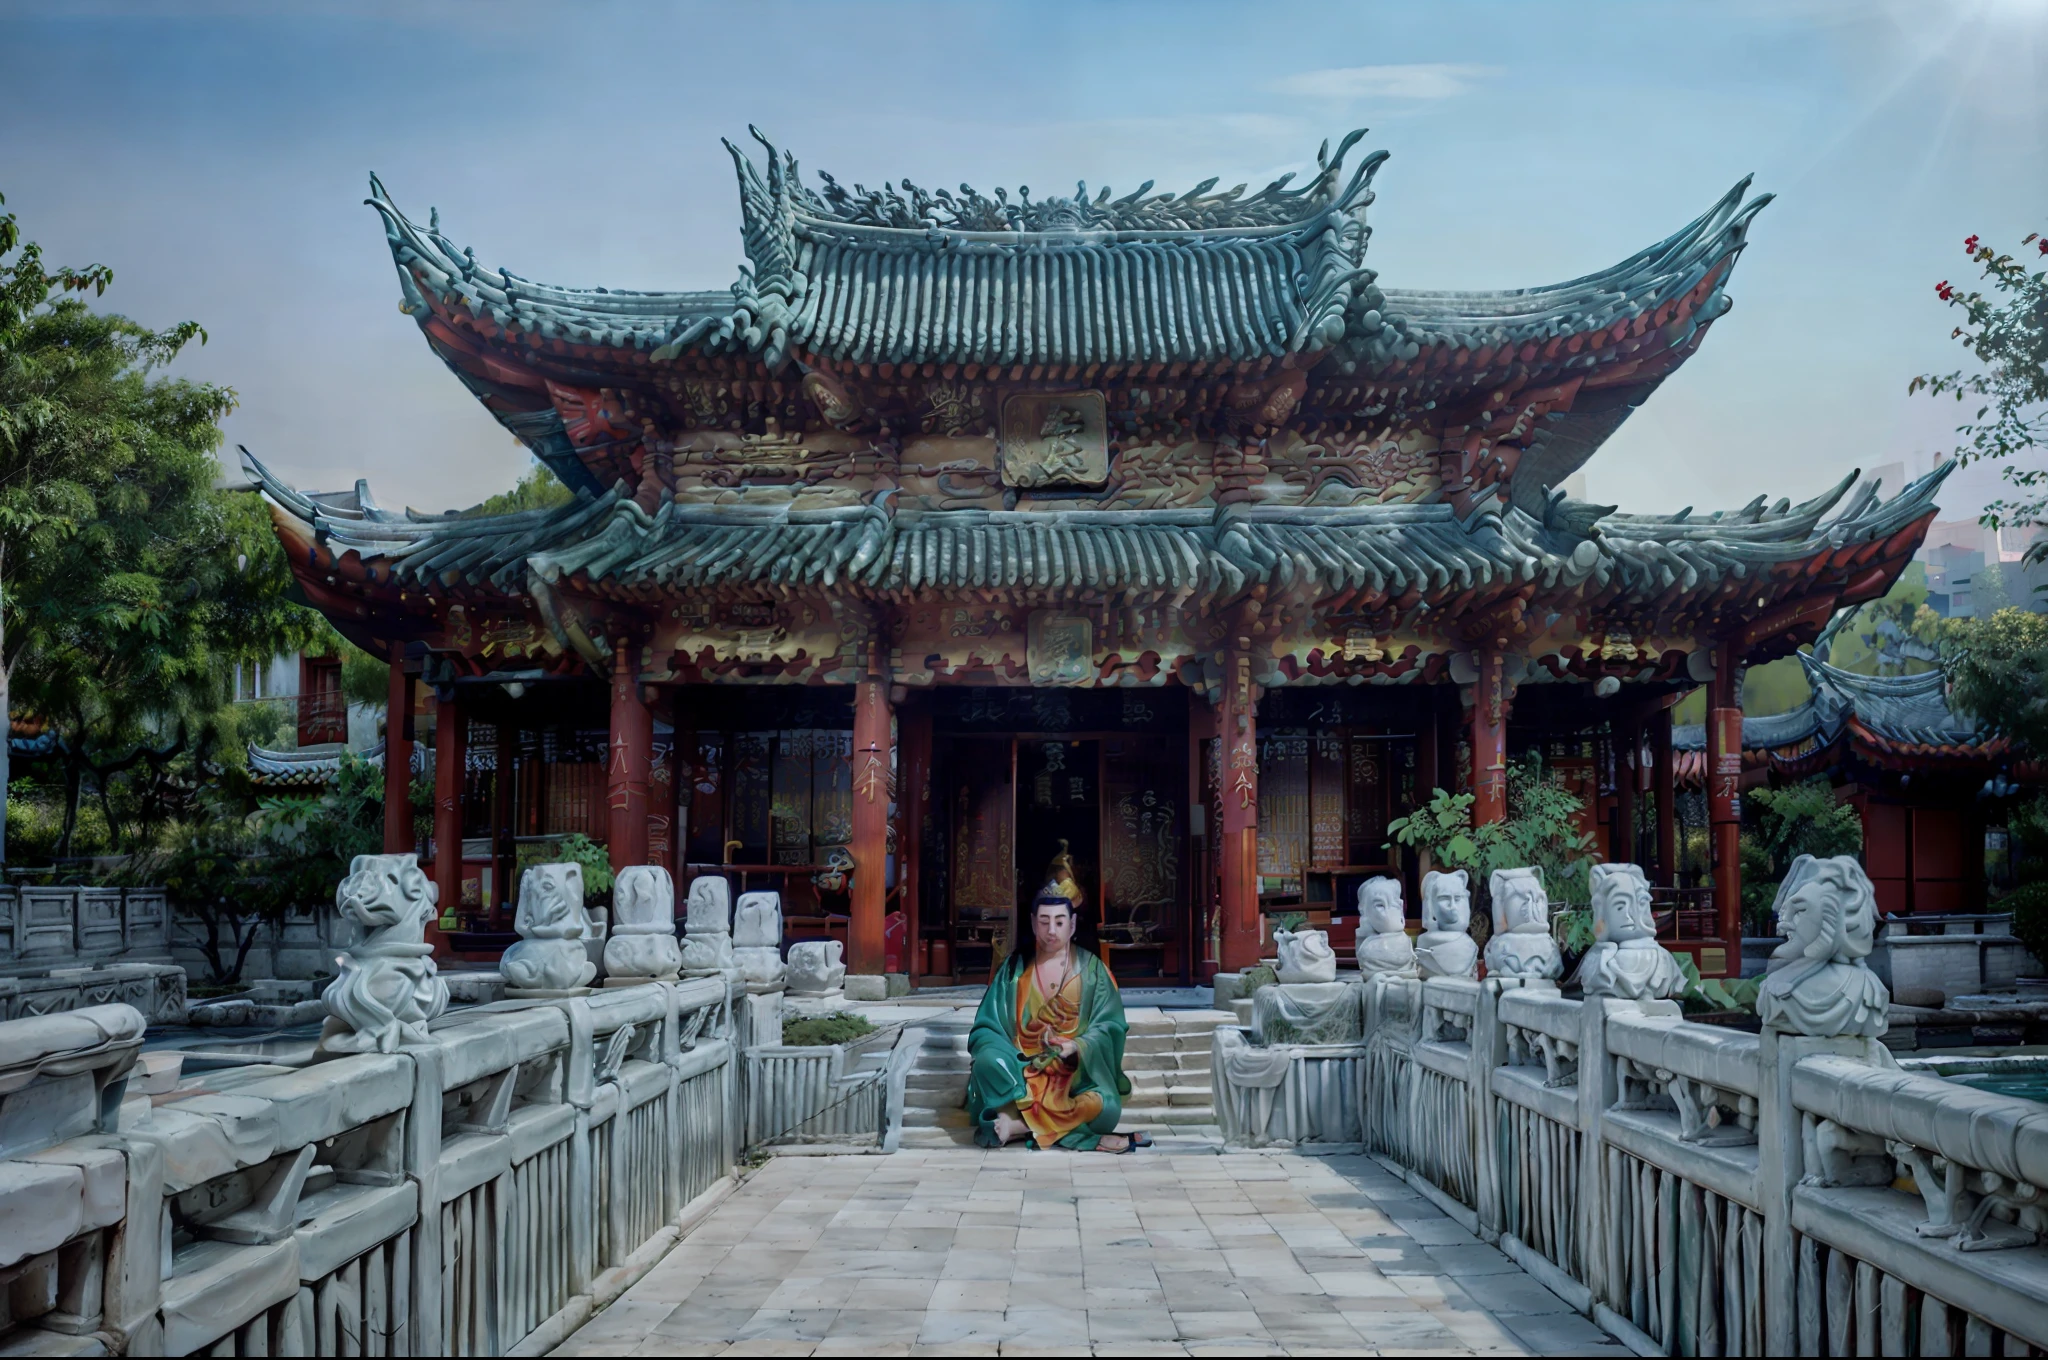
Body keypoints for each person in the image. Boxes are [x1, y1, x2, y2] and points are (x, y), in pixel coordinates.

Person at [966, 885, 1146, 1152]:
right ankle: (1055, 1126)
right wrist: (1002, 1050)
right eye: (1044, 921)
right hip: (1020, 1069)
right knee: (988, 1062)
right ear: (1033, 923)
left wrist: (1077, 1047)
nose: (1052, 930)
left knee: (1106, 1107)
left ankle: (1019, 1124)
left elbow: (1110, 1026)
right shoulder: (1013, 971)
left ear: (1072, 925)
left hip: (1073, 1075)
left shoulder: (1094, 972)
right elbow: (986, 1028)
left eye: (1059, 922)